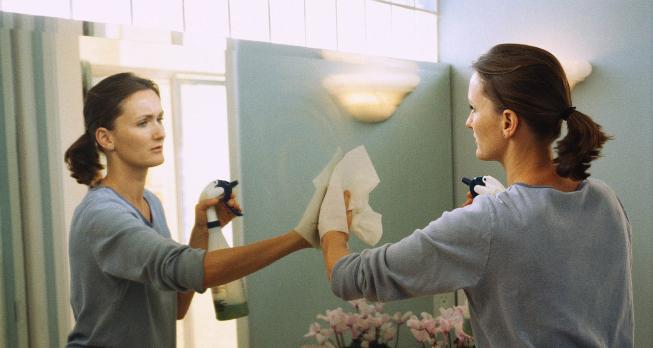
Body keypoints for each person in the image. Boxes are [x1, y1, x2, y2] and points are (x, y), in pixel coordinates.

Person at [320, 44, 634, 347]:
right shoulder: (605, 200)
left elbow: (350, 277)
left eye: (474, 108)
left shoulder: (488, 222)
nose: (469, 121)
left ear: (508, 122)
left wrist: (331, 225)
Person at [63, 72, 319, 347]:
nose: (160, 131)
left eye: (159, 119)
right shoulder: (102, 215)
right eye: (143, 122)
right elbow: (184, 268)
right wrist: (299, 237)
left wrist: (202, 230)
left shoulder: (150, 203)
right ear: (106, 138)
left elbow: (176, 306)